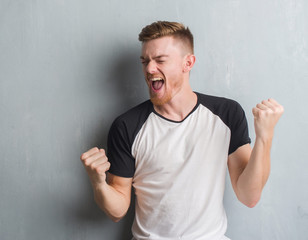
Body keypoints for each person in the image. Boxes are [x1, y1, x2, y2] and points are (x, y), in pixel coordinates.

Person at [80, 21, 284, 240]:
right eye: (145, 61)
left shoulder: (227, 114)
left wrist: (265, 137)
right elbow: (118, 210)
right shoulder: (127, 125)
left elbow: (249, 196)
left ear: (188, 63)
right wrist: (98, 184)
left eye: (160, 60)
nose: (149, 69)